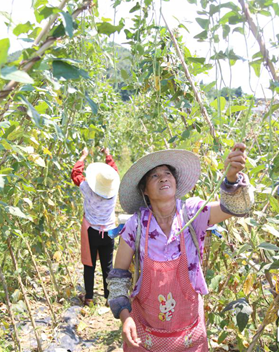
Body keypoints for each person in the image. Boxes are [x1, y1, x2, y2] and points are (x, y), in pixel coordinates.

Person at [107, 144, 254, 351]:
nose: (163, 178)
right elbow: (118, 276)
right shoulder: (136, 225)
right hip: (145, 335)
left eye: (168, 173)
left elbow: (235, 208)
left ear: (175, 181)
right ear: (144, 191)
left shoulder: (192, 214)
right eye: (154, 176)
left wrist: (231, 178)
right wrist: (125, 317)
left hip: (189, 335)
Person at [71, 147, 120, 306]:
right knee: (107, 265)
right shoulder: (113, 190)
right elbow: (114, 171)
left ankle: (89, 298)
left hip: (91, 231)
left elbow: (76, 175)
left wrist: (83, 156)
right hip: (109, 232)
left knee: (89, 265)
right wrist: (108, 154)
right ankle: (109, 297)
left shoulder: (87, 188)